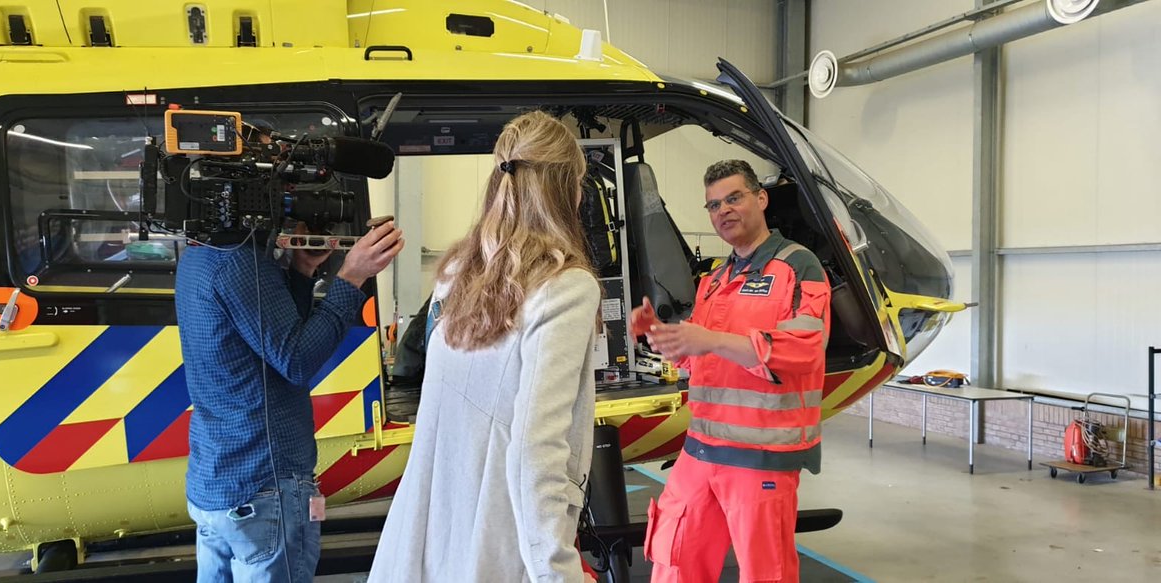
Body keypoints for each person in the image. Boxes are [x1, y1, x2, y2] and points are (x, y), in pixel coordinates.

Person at [369, 111, 601, 583]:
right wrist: (557, 570)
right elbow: (536, 449)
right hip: (501, 537)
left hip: (431, 529)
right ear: (566, 188)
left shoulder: (456, 274)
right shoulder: (566, 287)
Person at [633, 160, 831, 583]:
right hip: (699, 450)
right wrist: (664, 339)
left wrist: (711, 340)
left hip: (760, 460)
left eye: (734, 197)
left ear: (761, 198)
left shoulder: (798, 267)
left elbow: (803, 352)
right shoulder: (715, 279)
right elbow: (698, 360)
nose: (723, 210)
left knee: (765, 574)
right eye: (713, 205)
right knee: (674, 559)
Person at [176, 220, 404, 582]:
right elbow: (295, 360)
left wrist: (302, 271)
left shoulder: (199, 258)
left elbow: (273, 337)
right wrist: (351, 277)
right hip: (263, 486)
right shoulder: (241, 265)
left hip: (218, 485)